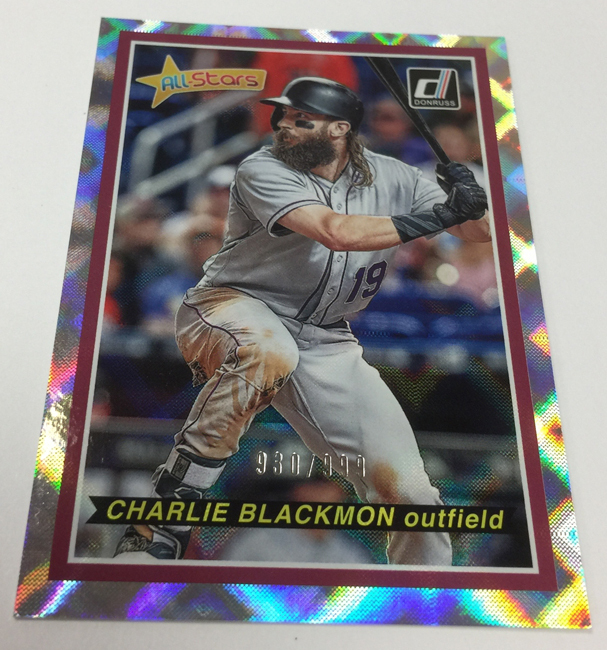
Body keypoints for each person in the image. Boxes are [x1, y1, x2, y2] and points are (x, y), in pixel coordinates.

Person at [114, 77, 489, 564]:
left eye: (300, 119)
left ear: (340, 129)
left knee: (413, 496)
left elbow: (479, 231)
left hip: (326, 338)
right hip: (234, 304)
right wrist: (437, 217)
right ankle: (164, 516)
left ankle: (423, 596)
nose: (284, 126)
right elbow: (335, 231)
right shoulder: (263, 168)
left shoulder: (396, 177)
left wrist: (471, 199)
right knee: (269, 349)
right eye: (284, 116)